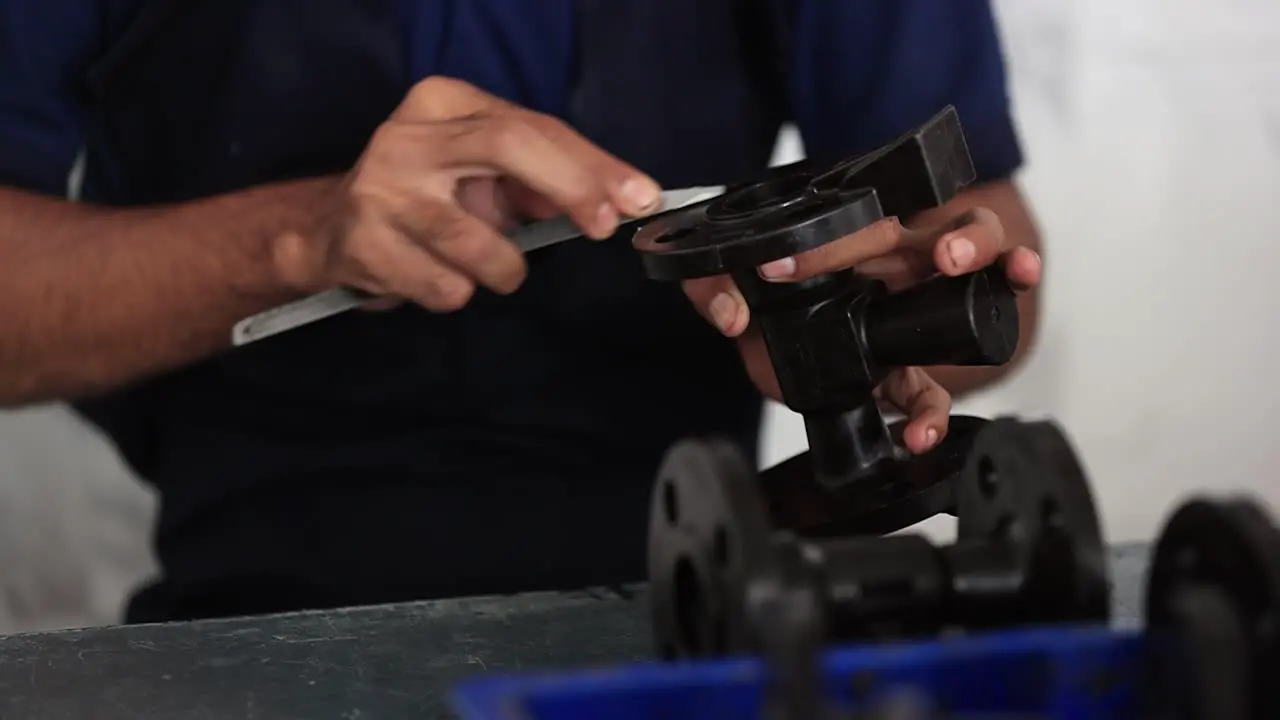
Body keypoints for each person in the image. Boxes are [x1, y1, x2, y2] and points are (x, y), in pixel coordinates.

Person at [0, 1, 1043, 624]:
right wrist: (302, 237)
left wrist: (888, 303)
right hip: (249, 613)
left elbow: (974, 221)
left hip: (691, 594)